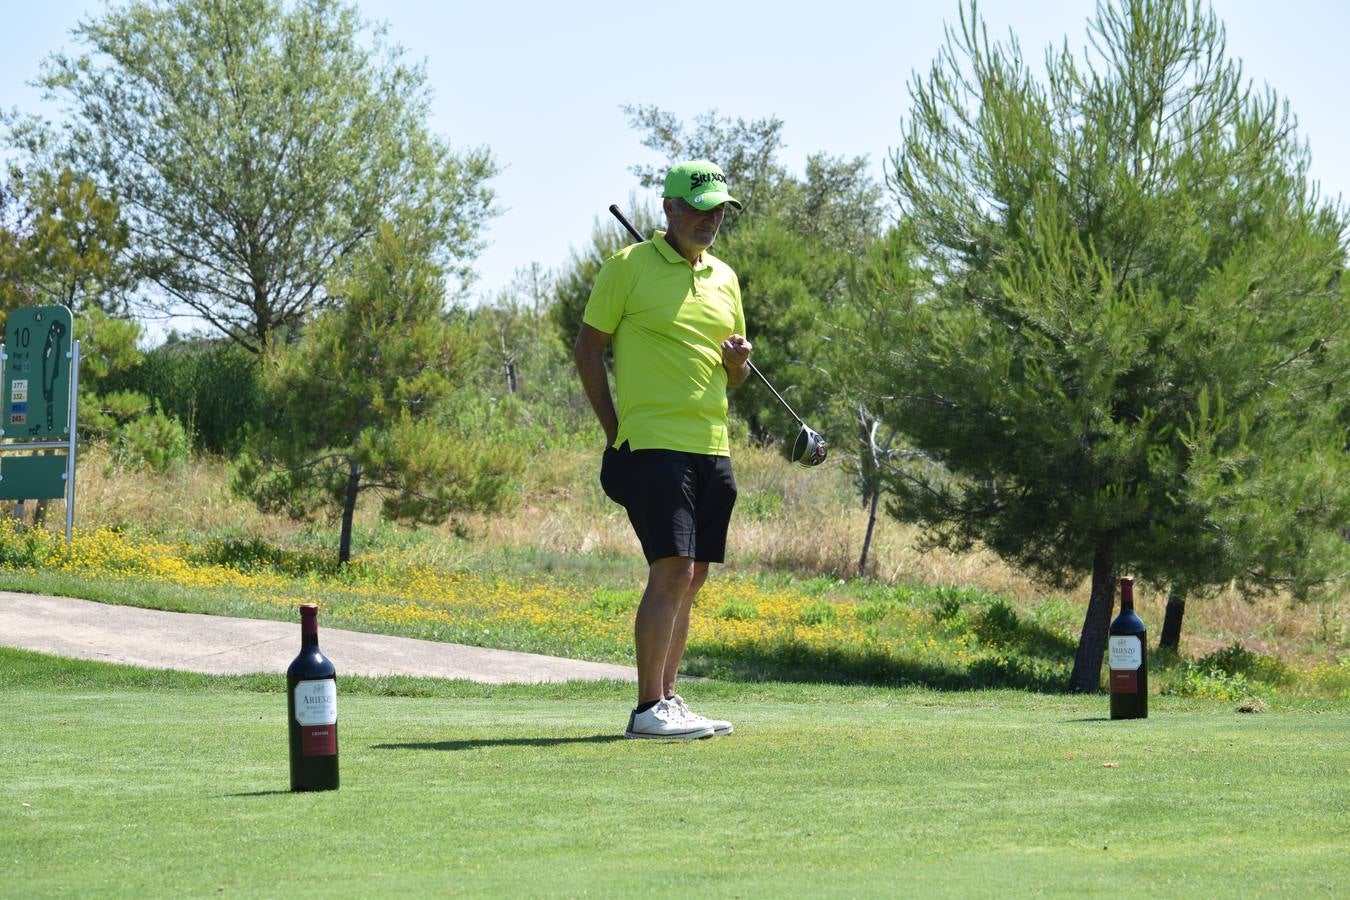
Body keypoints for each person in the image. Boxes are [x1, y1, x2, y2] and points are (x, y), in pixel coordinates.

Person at [574, 160, 749, 739]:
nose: (710, 219)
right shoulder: (627, 268)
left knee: (694, 574)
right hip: (652, 444)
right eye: (699, 208)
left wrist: (735, 365)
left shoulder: (725, 277)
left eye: (719, 208)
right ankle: (647, 708)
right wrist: (613, 428)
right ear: (669, 209)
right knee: (670, 568)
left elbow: (733, 379)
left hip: (711, 444)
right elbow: (588, 349)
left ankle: (669, 700)